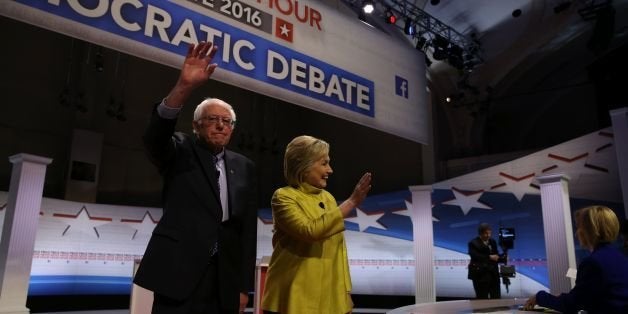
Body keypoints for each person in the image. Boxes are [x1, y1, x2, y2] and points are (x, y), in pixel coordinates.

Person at [133, 41, 258, 314]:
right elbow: (155, 138)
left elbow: (247, 232)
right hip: (179, 271)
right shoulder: (180, 149)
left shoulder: (244, 166)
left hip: (224, 277)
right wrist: (184, 87)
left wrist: (243, 286)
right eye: (213, 119)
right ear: (196, 125)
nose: (221, 125)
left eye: (227, 122)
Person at [261, 135, 372, 314]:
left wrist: (345, 292)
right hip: (294, 296)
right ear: (303, 166)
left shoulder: (328, 198)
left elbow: (339, 250)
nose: (330, 170)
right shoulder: (283, 197)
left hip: (329, 297)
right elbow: (310, 231)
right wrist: (351, 202)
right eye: (324, 163)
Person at [524, 205, 628, 313]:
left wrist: (539, 297)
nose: (576, 233)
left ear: (590, 230)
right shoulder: (623, 259)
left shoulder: (593, 263)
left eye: (579, 227)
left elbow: (571, 305)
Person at [467, 223, 503, 299]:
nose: (488, 235)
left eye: (490, 233)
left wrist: (502, 257)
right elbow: (475, 256)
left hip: (493, 275)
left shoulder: (492, 241)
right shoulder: (473, 243)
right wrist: (489, 257)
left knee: (496, 298)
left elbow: (495, 255)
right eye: (486, 233)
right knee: (482, 299)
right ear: (480, 233)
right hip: (480, 276)